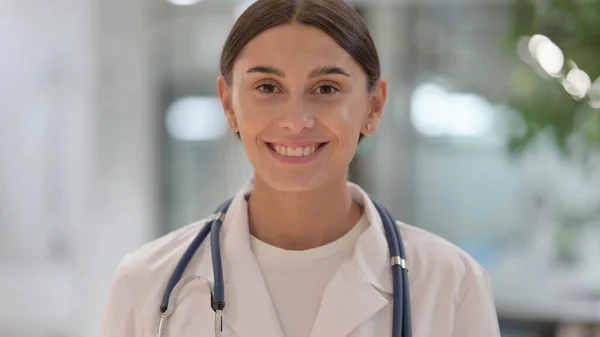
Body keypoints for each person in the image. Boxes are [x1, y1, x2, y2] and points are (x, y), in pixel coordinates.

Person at [100, 0, 502, 336]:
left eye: (326, 88)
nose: (295, 120)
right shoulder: (146, 285)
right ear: (228, 105)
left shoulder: (451, 285)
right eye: (267, 88)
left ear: (374, 106)